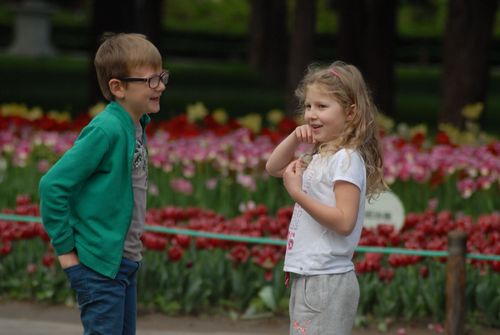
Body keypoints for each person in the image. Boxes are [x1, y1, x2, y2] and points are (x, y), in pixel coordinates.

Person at [38, 32, 168, 335]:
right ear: (117, 87)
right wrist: (67, 255)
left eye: (162, 76)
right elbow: (52, 185)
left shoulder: (136, 125)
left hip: (125, 262)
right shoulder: (106, 129)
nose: (160, 86)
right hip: (98, 266)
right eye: (150, 80)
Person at [266, 61, 386, 334]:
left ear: (351, 112)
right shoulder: (322, 155)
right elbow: (273, 168)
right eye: (308, 106)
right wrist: (294, 138)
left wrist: (296, 193)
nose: (311, 114)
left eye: (322, 106)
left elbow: (344, 221)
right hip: (311, 277)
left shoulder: (345, 159)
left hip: (326, 280)